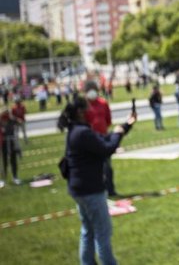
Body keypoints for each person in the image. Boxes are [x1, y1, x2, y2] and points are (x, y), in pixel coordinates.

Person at [58, 97, 137, 265]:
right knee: (102, 232)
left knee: (88, 230)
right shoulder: (82, 133)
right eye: (88, 107)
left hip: (79, 190)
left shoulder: (77, 130)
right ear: (80, 112)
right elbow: (106, 148)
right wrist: (118, 133)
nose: (92, 110)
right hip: (90, 190)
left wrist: (125, 126)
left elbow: (102, 141)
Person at [84, 81, 117, 197]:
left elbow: (108, 120)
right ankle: (97, 190)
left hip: (103, 137)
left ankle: (110, 189)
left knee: (107, 166)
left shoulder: (103, 103)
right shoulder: (84, 106)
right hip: (90, 139)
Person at [0, 107, 22, 186]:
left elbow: (20, 122)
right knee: (3, 162)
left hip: (12, 141)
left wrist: (14, 118)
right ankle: (3, 179)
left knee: (13, 160)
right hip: (3, 143)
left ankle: (15, 177)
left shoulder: (11, 120)